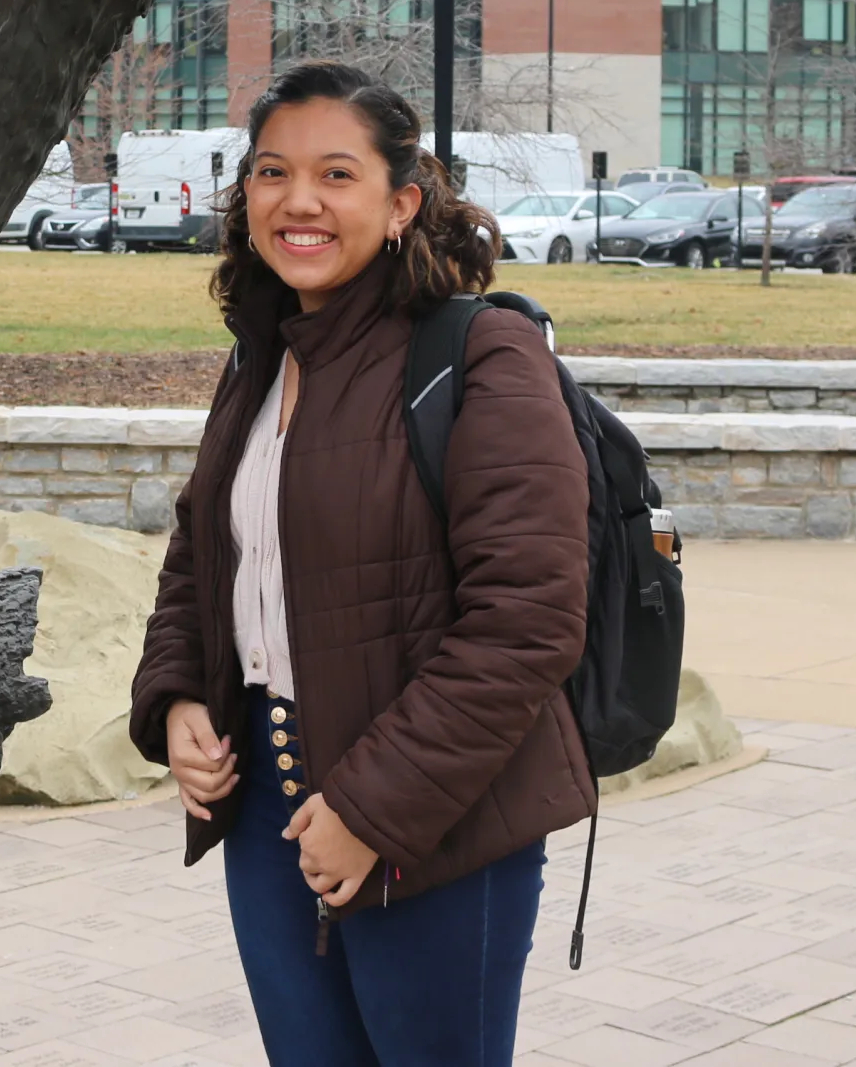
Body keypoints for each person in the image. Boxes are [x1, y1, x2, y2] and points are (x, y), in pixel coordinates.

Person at [130, 61, 593, 1067]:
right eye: (270, 171)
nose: (298, 200)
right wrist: (176, 699)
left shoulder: (481, 354)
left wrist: (370, 810)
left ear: (400, 202)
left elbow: (528, 618)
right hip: (263, 808)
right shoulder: (262, 355)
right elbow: (198, 556)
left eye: (335, 174)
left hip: (438, 819)